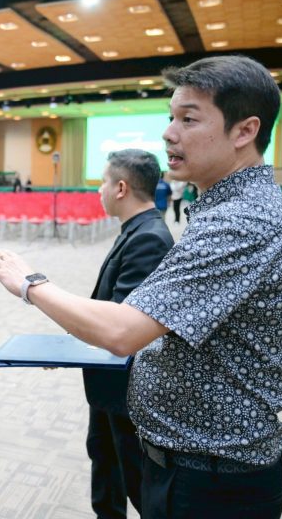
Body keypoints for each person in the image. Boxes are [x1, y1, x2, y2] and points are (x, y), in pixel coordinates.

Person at [0, 55, 282, 519]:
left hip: (212, 480)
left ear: (244, 131)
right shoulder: (228, 210)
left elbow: (124, 331)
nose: (169, 133)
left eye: (188, 119)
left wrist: (30, 284)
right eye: (171, 117)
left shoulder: (242, 221)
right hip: (194, 465)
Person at [84, 149, 174, 518]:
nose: (99, 190)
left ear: (121, 188)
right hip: (110, 386)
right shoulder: (136, 230)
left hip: (128, 392)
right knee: (107, 473)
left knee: (135, 484)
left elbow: (123, 324)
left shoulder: (149, 238)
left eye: (103, 182)